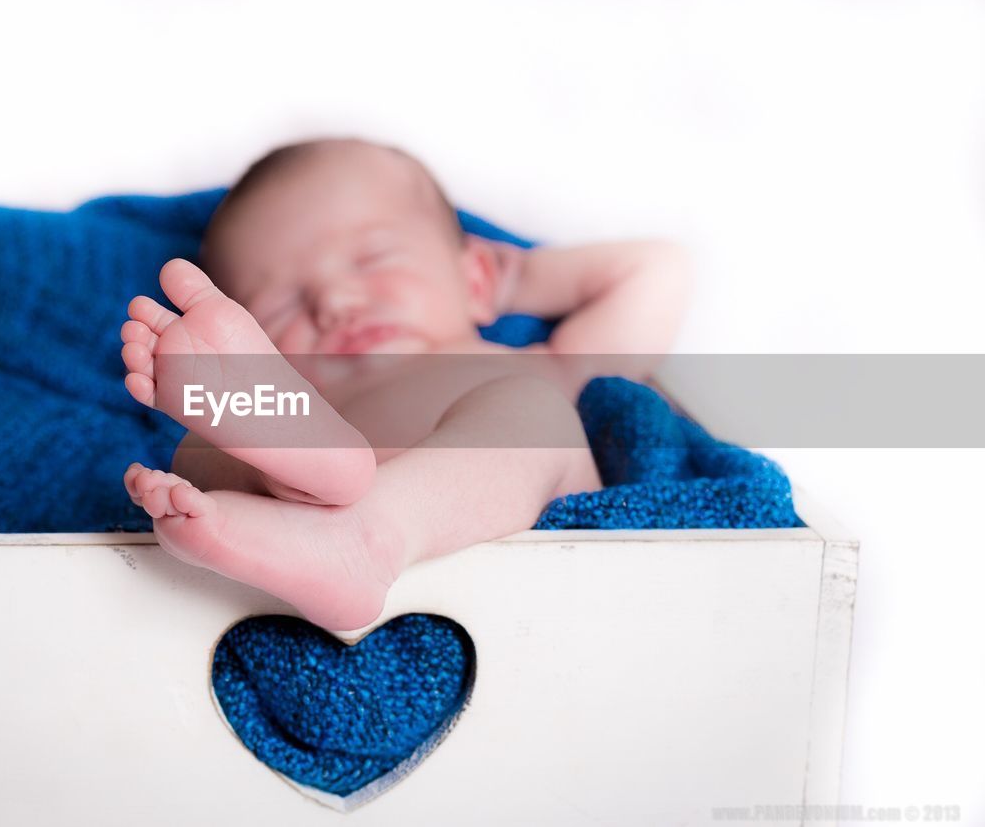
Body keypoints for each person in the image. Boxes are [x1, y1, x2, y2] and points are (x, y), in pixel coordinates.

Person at [120, 138, 689, 629]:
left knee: (532, 409)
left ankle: (367, 535)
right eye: (282, 303)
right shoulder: (318, 404)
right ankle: (304, 484)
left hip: (510, 559)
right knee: (195, 450)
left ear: (475, 275)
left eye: (373, 260)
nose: (335, 302)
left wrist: (513, 280)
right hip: (321, 477)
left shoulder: (548, 364)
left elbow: (656, 269)